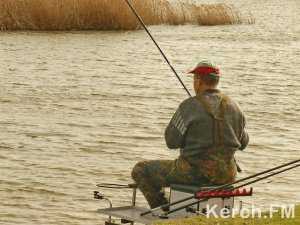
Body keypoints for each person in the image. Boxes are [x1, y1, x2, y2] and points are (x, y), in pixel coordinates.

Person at [131, 60, 249, 209]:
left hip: (195, 173)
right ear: (216, 81)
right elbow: (244, 142)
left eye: (195, 79)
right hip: (227, 175)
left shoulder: (189, 106)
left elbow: (171, 141)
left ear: (198, 81)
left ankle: (162, 210)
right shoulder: (235, 107)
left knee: (141, 170)